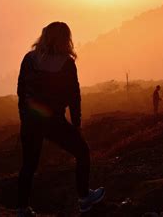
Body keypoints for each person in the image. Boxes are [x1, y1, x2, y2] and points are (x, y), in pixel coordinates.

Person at [17, 22, 105, 217]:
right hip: (54, 121)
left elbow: (21, 91)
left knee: (29, 165)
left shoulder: (29, 59)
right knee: (82, 152)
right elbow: (74, 96)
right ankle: (84, 199)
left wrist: (24, 117)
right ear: (65, 40)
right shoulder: (66, 63)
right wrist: (76, 123)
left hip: (31, 121)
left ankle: (22, 210)